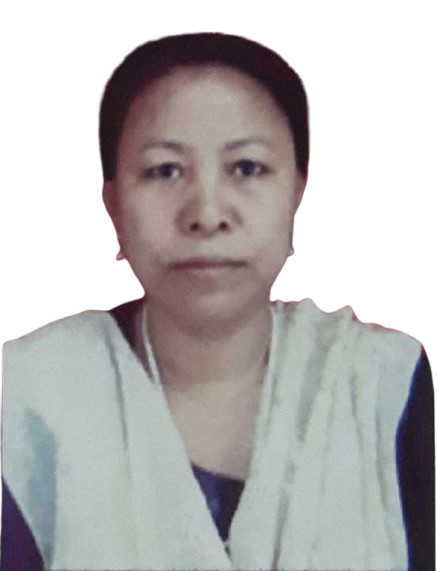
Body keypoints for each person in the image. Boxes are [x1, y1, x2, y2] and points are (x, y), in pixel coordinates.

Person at [2, 32, 435, 571]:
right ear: (113, 207)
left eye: (247, 168)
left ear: (297, 193)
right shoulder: (33, 396)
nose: (206, 214)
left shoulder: (380, 385)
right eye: (164, 170)